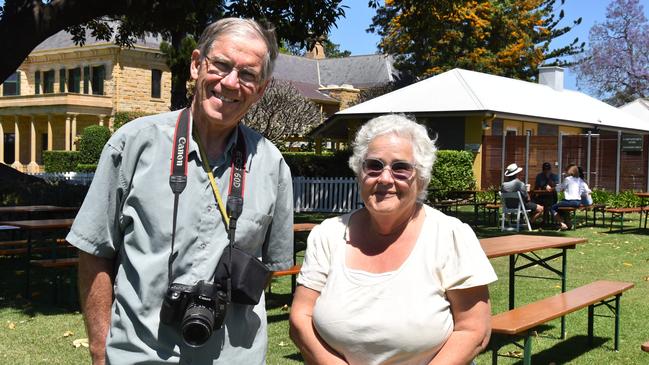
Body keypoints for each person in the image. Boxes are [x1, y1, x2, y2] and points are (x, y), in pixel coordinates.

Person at [67, 18, 293, 364]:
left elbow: (272, 269)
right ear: (196, 64)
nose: (231, 82)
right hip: (140, 354)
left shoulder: (271, 165)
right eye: (221, 65)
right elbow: (94, 252)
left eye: (248, 75)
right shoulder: (132, 146)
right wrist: (100, 351)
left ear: (261, 89)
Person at [289, 114, 497, 365]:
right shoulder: (328, 234)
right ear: (359, 172)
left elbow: (473, 331)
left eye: (401, 168)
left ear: (420, 179)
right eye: (374, 166)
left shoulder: (451, 235)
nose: (385, 178)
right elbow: (301, 316)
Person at [552, 164, 582, 230]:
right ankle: (569, 224)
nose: (565, 172)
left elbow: (560, 189)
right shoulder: (579, 179)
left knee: (553, 207)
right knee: (563, 206)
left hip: (570, 201)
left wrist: (552, 188)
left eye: (566, 171)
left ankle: (562, 223)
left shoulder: (568, 179)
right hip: (578, 201)